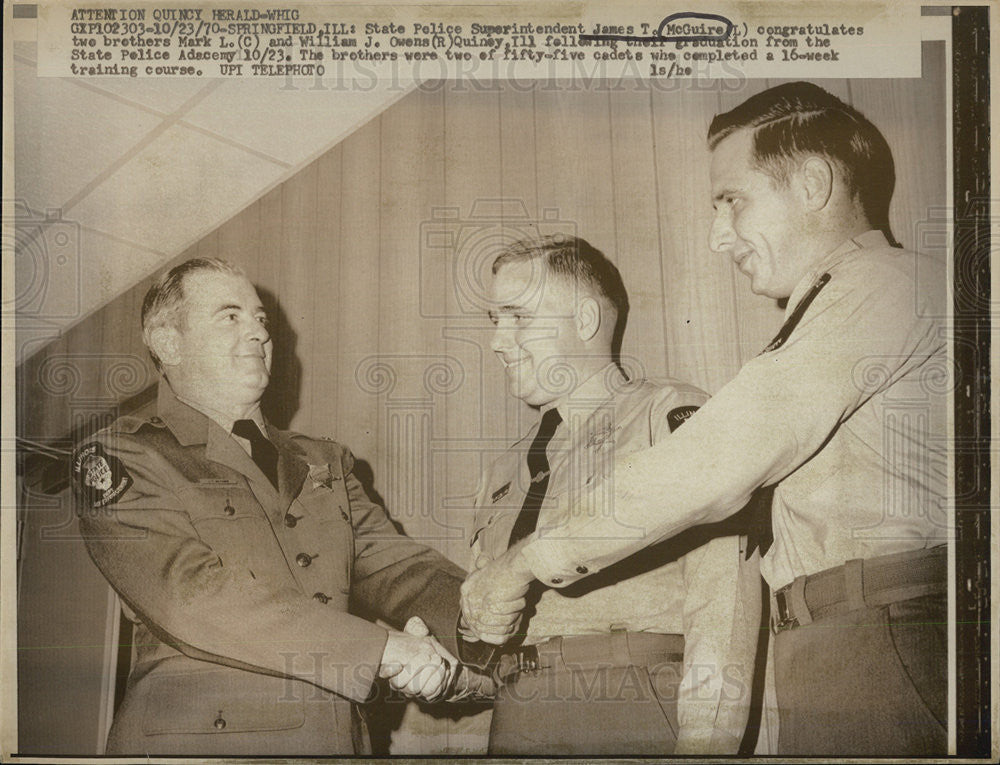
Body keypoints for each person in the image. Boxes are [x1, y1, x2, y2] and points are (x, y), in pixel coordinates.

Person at [460, 82, 949, 756]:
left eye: (732, 201)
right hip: (838, 641)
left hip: (885, 634)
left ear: (812, 182)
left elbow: (713, 470)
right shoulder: (834, 310)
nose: (721, 237)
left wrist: (521, 565)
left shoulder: (882, 288)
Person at [73, 258, 486, 757]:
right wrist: (381, 650)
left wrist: (493, 614)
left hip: (332, 740)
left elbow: (403, 570)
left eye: (261, 319)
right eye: (230, 316)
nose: (258, 333)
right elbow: (190, 594)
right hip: (201, 742)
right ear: (169, 343)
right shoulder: (125, 454)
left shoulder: (322, 461)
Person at [460, 235, 759, 755]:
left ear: (585, 320)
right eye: (494, 322)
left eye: (518, 318)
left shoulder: (665, 418)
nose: (498, 342)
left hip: (631, 703)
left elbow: (722, 602)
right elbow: (486, 630)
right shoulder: (504, 469)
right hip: (516, 713)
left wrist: (707, 746)